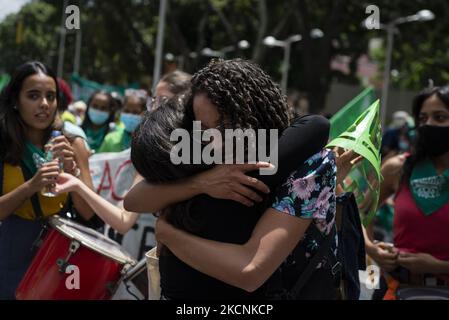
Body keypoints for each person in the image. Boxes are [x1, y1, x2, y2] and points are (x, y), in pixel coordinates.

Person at [125, 59, 331, 299]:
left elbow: (316, 125)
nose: (216, 138)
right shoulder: (201, 163)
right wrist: (202, 182)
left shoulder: (270, 166)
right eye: (204, 128)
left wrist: (168, 233)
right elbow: (134, 200)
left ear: (253, 110)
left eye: (225, 123)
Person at [0, 61, 95, 299]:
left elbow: (89, 212)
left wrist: (73, 173)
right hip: (11, 249)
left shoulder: (73, 143)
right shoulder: (3, 144)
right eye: (33, 95)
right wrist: (32, 185)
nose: (44, 104)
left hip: (60, 250)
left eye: (50, 96)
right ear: (15, 100)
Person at [365, 86, 449, 299]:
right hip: (398, 289)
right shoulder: (398, 168)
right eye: (422, 118)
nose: (428, 124)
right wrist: (373, 250)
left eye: (440, 117)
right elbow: (359, 213)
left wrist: (440, 266)